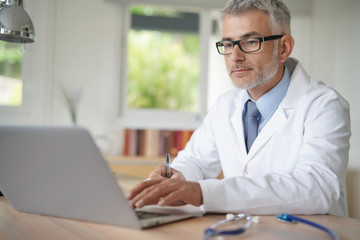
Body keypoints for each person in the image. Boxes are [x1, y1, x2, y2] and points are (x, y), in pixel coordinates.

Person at [128, 0, 351, 217]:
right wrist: (176, 177)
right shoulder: (225, 105)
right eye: (227, 44)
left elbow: (318, 188)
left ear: (284, 48)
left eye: (251, 42)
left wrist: (204, 192)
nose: (235, 57)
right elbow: (196, 161)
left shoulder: (324, 105)